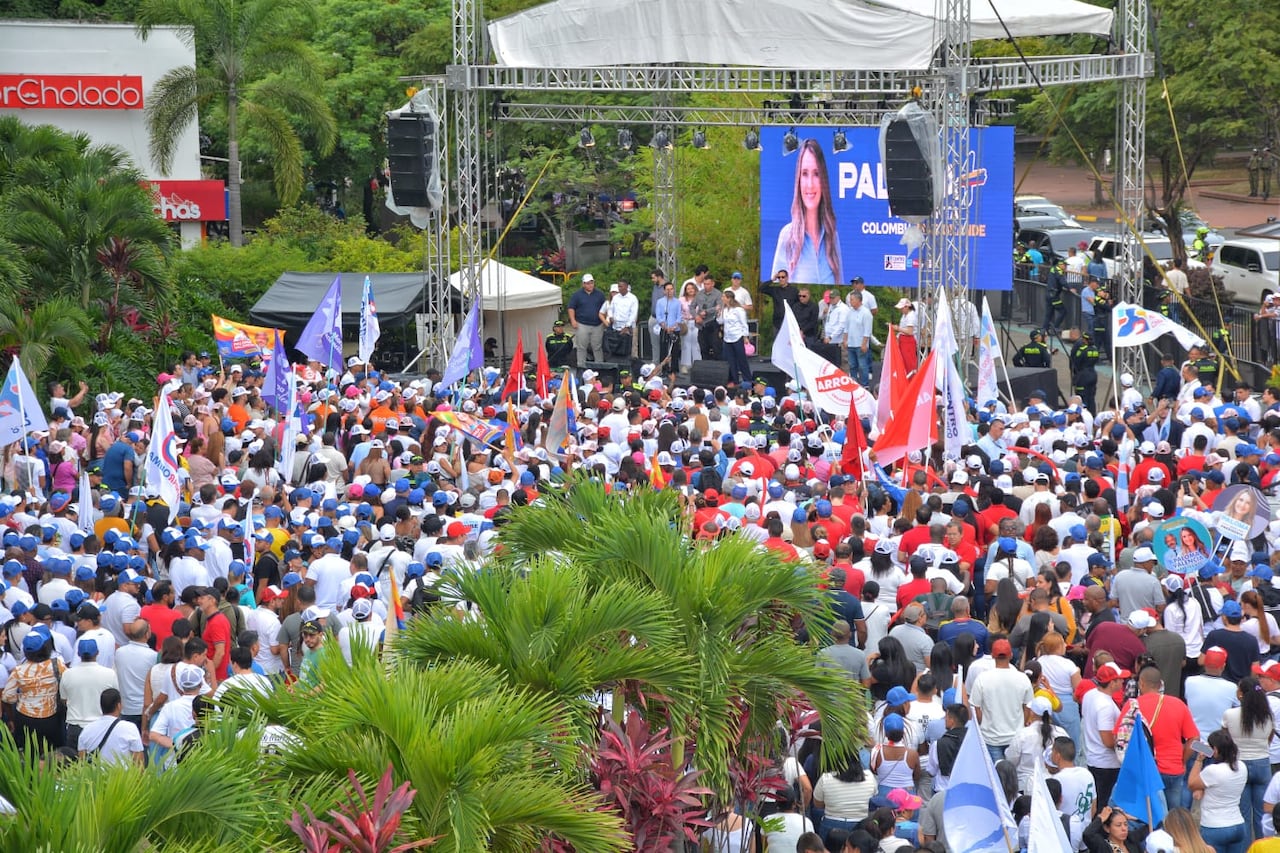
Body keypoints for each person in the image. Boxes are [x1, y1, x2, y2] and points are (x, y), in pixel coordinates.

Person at [770, 138, 842, 286]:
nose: (810, 184)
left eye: (816, 174)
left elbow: (840, 284)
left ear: (823, 180)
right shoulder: (787, 236)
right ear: (798, 180)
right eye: (804, 173)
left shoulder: (832, 236)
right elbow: (776, 288)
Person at [1222, 676, 1274, 842]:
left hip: (1239, 764)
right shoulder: (1267, 716)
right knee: (1262, 813)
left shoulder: (1230, 714)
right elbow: (1269, 739)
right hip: (1262, 764)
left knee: (1242, 814)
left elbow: (1225, 739)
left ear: (1241, 694)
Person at [969, 638, 1034, 764]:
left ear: (993, 656)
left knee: (997, 778)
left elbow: (976, 710)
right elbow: (1028, 707)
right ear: (1010, 655)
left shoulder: (982, 679)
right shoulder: (1022, 678)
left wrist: (985, 725)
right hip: (1016, 737)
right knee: (1012, 776)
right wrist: (1021, 723)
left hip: (991, 738)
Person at [1189, 729, 1248, 853]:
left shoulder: (1212, 771)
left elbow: (1192, 783)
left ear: (1215, 750)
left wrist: (1199, 760)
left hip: (1214, 827)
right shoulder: (1242, 767)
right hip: (1237, 824)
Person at [812, 750, 877, 835]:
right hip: (861, 826)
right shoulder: (870, 777)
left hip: (832, 824)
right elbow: (873, 799)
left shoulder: (825, 778)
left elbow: (818, 804)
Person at [77, 687, 144, 766]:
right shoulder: (130, 728)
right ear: (119, 706)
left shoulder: (87, 729)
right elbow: (139, 763)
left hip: (96, 777)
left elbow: (82, 761)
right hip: (123, 777)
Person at [566, 273, 606, 367]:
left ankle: (599, 367)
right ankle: (581, 367)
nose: (590, 285)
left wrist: (605, 321)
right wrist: (573, 320)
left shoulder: (600, 294)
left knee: (597, 347)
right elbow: (571, 308)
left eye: (591, 283)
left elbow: (605, 308)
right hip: (582, 324)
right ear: (583, 284)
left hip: (598, 325)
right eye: (587, 283)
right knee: (581, 347)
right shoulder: (577, 295)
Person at [719, 291, 752, 387]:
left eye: (724, 297)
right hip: (727, 337)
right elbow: (720, 321)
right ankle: (735, 380)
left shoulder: (738, 310)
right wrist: (719, 313)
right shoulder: (725, 309)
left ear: (729, 298)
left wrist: (745, 336)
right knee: (730, 360)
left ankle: (747, 379)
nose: (722, 298)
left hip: (737, 336)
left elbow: (743, 323)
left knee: (741, 358)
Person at [843, 291, 874, 387]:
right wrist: (845, 340)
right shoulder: (850, 312)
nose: (850, 301)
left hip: (860, 344)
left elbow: (867, 330)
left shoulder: (866, 313)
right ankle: (853, 383)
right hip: (851, 343)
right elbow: (846, 327)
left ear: (858, 300)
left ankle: (865, 385)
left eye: (852, 299)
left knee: (862, 365)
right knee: (852, 365)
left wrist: (864, 344)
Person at [895, 298, 919, 376]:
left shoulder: (911, 316)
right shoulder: (905, 315)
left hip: (908, 341)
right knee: (904, 363)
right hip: (903, 340)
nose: (901, 310)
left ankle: (912, 381)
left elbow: (910, 331)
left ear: (907, 307)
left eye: (902, 308)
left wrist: (898, 328)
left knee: (909, 363)